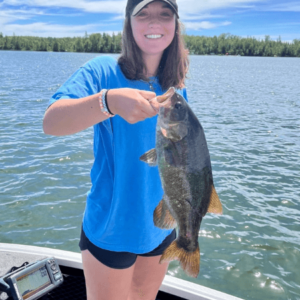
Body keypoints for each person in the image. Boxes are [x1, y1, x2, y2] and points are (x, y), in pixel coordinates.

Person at [43, 0, 189, 299]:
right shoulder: (102, 71)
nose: (154, 23)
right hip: (112, 226)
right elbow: (52, 121)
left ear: (175, 25)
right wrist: (108, 102)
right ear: (128, 23)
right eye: (143, 14)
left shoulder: (177, 85)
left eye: (165, 14)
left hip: (162, 226)